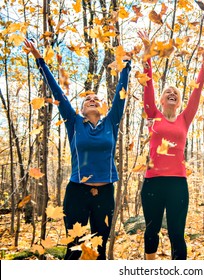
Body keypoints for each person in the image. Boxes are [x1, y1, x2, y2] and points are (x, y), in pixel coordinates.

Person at [24, 39, 131, 260]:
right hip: (77, 193)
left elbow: (121, 91)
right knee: (74, 249)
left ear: (103, 107)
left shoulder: (111, 122)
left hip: (105, 194)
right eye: (87, 99)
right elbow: (56, 91)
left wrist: (127, 65)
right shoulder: (74, 123)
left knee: (99, 251)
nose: (92, 100)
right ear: (81, 109)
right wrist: (39, 60)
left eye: (96, 99)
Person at [138, 31, 204, 260]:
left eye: (175, 92)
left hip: (177, 184)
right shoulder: (153, 115)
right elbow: (148, 87)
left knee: (176, 234)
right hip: (152, 182)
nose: (172, 93)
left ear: (179, 101)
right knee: (152, 230)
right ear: (161, 100)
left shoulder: (185, 118)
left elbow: (197, 91)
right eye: (167, 92)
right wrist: (147, 55)